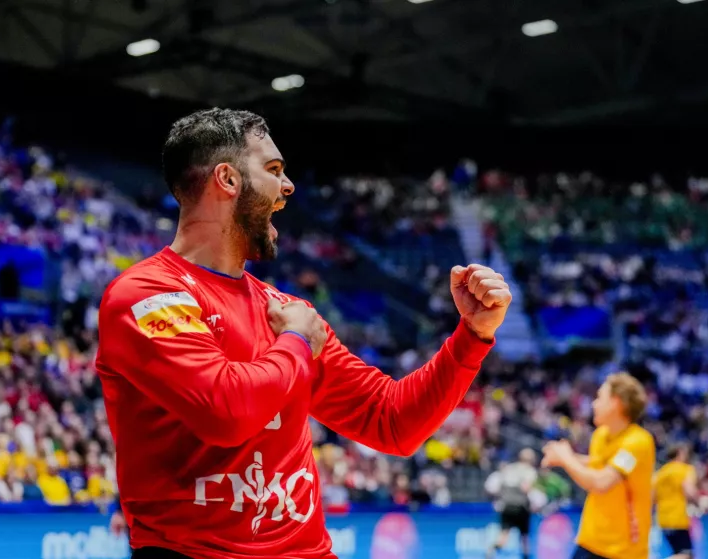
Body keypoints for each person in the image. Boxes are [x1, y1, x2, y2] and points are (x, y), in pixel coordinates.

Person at [95, 108, 512, 559]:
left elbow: (393, 422)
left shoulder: (285, 312)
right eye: (274, 169)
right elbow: (225, 412)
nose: (288, 186)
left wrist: (472, 335)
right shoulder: (147, 293)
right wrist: (294, 343)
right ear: (227, 180)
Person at [542, 373, 655, 559]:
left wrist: (566, 457)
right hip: (590, 541)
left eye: (599, 397)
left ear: (616, 403)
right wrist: (566, 457)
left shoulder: (638, 442)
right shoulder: (600, 435)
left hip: (622, 551)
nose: (594, 404)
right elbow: (597, 463)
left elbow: (602, 482)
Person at [484, 448, 538, 559]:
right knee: (524, 537)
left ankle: (492, 550)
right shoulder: (530, 471)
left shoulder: (509, 468)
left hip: (507, 506)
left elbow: (495, 487)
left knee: (504, 535)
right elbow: (526, 488)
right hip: (521, 507)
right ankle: (526, 556)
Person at [653, 443, 697, 559]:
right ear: (680, 454)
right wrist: (698, 500)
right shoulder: (685, 469)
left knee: (677, 552)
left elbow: (652, 497)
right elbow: (689, 490)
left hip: (662, 518)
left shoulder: (660, 473)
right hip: (678, 518)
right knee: (687, 554)